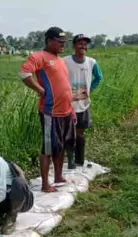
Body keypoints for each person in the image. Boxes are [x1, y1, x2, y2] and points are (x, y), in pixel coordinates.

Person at [20, 27, 75, 193]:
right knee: (48, 148)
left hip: (66, 111)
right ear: (49, 41)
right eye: (59, 42)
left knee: (62, 145)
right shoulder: (39, 57)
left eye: (64, 42)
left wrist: (71, 108)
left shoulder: (60, 60)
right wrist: (40, 90)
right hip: (51, 113)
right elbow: (24, 74)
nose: (63, 45)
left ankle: (58, 176)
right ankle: (45, 184)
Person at [63, 34, 103, 169]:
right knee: (69, 133)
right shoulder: (65, 61)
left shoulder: (91, 62)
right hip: (68, 104)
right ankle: (70, 161)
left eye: (85, 44)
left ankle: (80, 160)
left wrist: (90, 89)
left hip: (84, 104)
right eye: (80, 44)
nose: (83, 46)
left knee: (80, 132)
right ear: (74, 46)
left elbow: (99, 77)